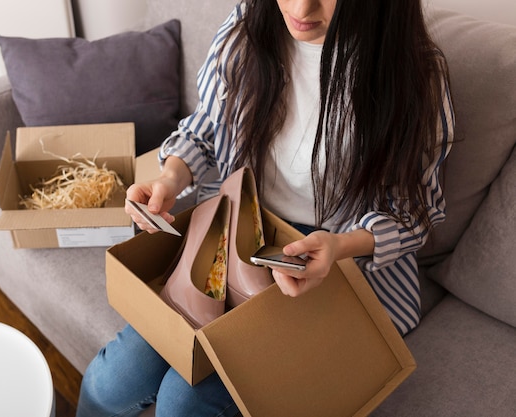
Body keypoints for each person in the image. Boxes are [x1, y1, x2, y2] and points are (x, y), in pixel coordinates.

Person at [76, 0, 454, 415]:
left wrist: (339, 246)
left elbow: (414, 211)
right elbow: (206, 130)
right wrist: (169, 180)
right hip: (236, 226)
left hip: (336, 263)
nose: (299, 7)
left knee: (184, 404)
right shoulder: (248, 26)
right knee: (111, 381)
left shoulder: (414, 74)